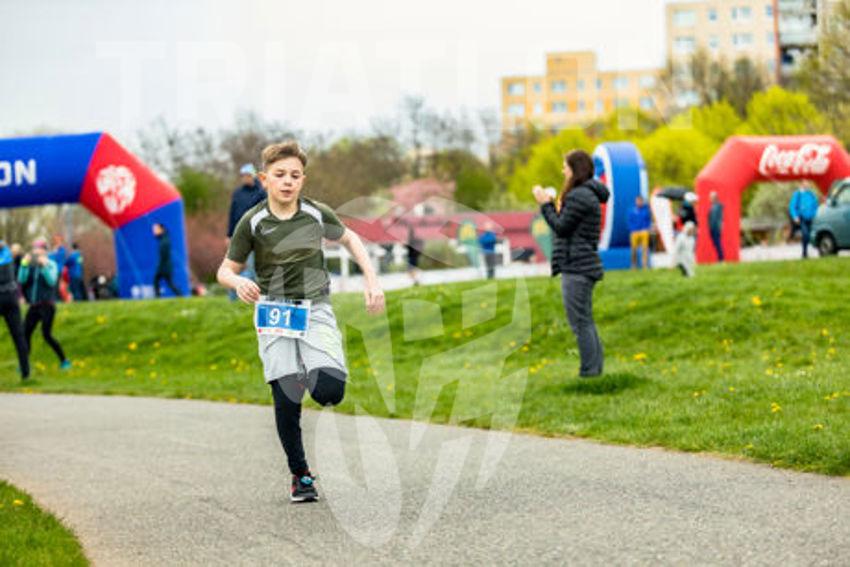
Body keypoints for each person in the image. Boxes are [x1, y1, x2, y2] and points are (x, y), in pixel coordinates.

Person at [217, 141, 385, 503]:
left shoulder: (314, 213)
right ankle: (301, 475)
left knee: (329, 391)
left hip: (315, 309)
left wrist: (371, 280)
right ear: (264, 179)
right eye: (279, 175)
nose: (287, 181)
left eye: (295, 175)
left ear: (303, 180)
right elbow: (224, 270)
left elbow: (351, 238)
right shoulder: (253, 221)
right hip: (273, 313)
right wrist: (239, 281)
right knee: (286, 398)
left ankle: (310, 366)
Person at [533, 149, 609, 378]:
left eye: (565, 167)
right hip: (582, 263)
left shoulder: (579, 196)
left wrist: (545, 205)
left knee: (580, 322)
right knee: (585, 320)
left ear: (575, 169)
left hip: (577, 265)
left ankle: (589, 372)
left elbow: (561, 227)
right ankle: (594, 370)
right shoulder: (587, 194)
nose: (563, 171)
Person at [18, 238, 70, 370]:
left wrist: (44, 266)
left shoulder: (51, 264)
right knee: (25, 333)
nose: (36, 251)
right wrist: (24, 265)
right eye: (34, 248)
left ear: (45, 251)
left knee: (46, 335)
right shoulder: (31, 265)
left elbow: (51, 281)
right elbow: (21, 280)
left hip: (47, 305)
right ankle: (24, 364)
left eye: (39, 248)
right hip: (34, 305)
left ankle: (64, 361)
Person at [227, 164, 266, 300]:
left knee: (252, 269)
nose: (245, 178)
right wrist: (229, 235)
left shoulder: (262, 193)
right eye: (243, 176)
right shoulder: (237, 193)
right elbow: (232, 214)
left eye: (248, 175)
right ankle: (233, 298)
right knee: (234, 268)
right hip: (238, 236)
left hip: (256, 236)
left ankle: (249, 297)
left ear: (253, 176)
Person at [0, 240, 29, 379]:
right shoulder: (7, 254)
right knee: (19, 335)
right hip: (11, 298)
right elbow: (5, 246)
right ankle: (25, 372)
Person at [788, 186, 820, 259]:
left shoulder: (811, 194)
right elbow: (792, 206)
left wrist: (814, 214)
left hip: (811, 218)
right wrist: (795, 216)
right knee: (805, 234)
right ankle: (804, 252)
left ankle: (806, 251)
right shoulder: (797, 194)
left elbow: (815, 205)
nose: (806, 184)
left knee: (809, 236)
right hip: (802, 218)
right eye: (804, 182)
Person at [152, 223, 182, 297]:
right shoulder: (163, 239)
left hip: (164, 267)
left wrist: (160, 267)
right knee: (168, 282)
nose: (154, 231)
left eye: (156, 229)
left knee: (159, 281)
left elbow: (164, 256)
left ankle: (158, 297)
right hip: (165, 266)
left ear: (161, 229)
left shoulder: (165, 241)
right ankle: (180, 295)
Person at [628, 195, 651, 269]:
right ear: (635, 201)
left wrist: (647, 228)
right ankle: (633, 265)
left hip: (644, 231)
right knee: (633, 249)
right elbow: (629, 221)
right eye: (638, 201)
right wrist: (632, 229)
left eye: (640, 201)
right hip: (634, 232)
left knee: (645, 248)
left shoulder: (646, 210)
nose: (639, 202)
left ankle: (645, 265)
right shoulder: (632, 210)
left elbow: (648, 220)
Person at [708, 191, 724, 262]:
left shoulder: (718, 206)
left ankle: (721, 258)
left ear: (715, 197)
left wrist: (718, 227)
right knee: (715, 243)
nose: (710, 198)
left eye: (711, 197)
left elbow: (718, 218)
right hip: (712, 227)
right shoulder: (713, 206)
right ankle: (720, 258)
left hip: (716, 228)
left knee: (717, 243)